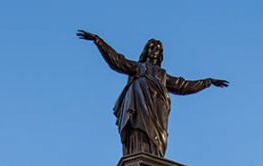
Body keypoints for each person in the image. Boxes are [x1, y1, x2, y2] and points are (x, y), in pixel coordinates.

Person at [77, 30, 229, 157]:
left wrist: (207, 82)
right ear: (146, 50)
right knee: (139, 131)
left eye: (157, 48)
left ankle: (155, 160)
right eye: (151, 47)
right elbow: (117, 60)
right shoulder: (138, 68)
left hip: (158, 108)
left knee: (158, 137)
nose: (154, 50)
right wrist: (98, 41)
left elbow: (183, 85)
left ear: (160, 53)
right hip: (139, 105)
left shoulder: (162, 75)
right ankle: (137, 156)